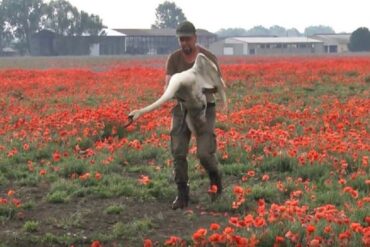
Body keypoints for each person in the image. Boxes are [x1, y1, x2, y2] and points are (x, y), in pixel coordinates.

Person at [165, 21, 225, 210]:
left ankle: (216, 182)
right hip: (182, 109)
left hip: (204, 109)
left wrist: (198, 88)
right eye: (181, 39)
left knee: (204, 154)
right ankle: (182, 193)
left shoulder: (208, 58)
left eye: (187, 39)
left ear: (195, 38)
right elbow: (167, 86)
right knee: (178, 151)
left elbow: (218, 84)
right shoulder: (174, 59)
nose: (184, 43)